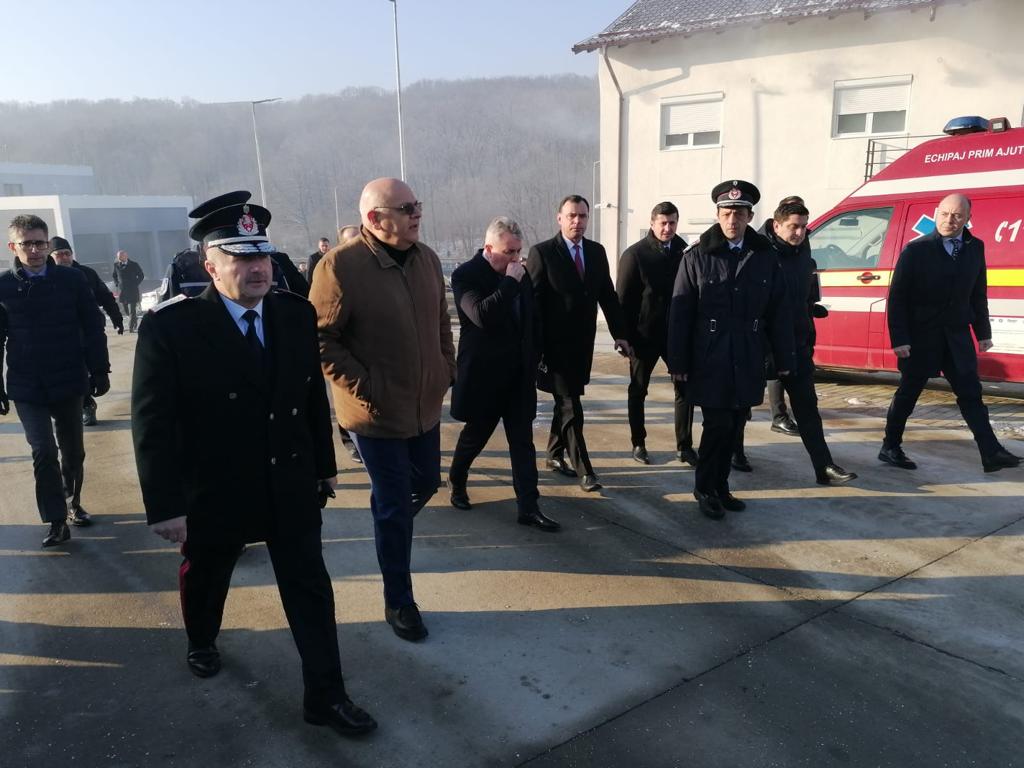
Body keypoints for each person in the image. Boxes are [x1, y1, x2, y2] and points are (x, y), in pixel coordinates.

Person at [131, 195, 376, 737]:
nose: (257, 267)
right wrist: (166, 505)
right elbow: (152, 423)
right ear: (210, 266)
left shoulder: (293, 313)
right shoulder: (172, 327)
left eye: (261, 255)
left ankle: (326, 696)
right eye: (240, 258)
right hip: (216, 485)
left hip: (288, 478)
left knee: (310, 588)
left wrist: (324, 464)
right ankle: (201, 639)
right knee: (208, 575)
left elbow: (309, 396)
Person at [310, 178, 455, 643]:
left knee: (426, 483)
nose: (417, 214)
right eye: (406, 208)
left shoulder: (427, 259)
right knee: (393, 505)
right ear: (374, 218)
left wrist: (445, 368)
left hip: (424, 405)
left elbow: (441, 322)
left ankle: (390, 527)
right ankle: (399, 599)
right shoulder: (340, 267)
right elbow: (320, 339)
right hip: (374, 413)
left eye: (418, 204)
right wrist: (368, 386)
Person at [667, 180, 794, 519]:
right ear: (717, 215)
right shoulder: (697, 256)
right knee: (717, 425)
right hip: (710, 356)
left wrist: (784, 357)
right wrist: (678, 362)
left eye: (739, 214)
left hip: (748, 354)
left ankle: (721, 486)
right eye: (726, 213)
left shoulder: (764, 256)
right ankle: (704, 487)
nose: (732, 220)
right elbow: (680, 313)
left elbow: (779, 311)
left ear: (750, 216)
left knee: (736, 424)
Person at [879, 193, 1020, 473]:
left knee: (971, 394)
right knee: (908, 393)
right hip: (922, 337)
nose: (949, 220)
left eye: (957, 215)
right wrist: (900, 339)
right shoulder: (916, 250)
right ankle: (890, 446)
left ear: (968, 218)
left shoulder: (975, 248)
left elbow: (978, 293)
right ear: (936, 214)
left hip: (957, 336)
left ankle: (991, 452)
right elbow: (897, 298)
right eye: (944, 214)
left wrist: (983, 332)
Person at [0, 215, 110, 545]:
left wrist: (99, 369)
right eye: (27, 244)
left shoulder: (71, 280)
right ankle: (56, 519)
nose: (34, 250)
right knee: (44, 451)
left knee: (73, 451)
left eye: (40, 243)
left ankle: (73, 502)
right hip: (27, 384)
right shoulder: (3, 285)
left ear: (48, 244)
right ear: (13, 246)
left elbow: (92, 326)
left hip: (68, 378)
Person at [448, 217, 559, 532]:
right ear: (489, 248)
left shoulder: (520, 273)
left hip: (518, 376)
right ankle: (457, 479)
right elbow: (482, 315)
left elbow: (531, 318)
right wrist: (509, 282)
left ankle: (529, 507)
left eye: (518, 251)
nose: (515, 258)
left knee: (522, 443)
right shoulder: (466, 275)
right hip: (485, 376)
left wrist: (536, 355)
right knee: (475, 436)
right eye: (508, 251)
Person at [527, 194, 631, 493]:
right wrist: (532, 347)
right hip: (553, 350)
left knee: (566, 403)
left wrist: (620, 334)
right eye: (571, 216)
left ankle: (553, 453)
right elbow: (532, 304)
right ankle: (585, 469)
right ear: (559, 218)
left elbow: (607, 296)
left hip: (582, 347)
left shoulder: (596, 252)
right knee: (571, 405)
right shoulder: (542, 253)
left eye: (583, 216)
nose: (577, 221)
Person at [758, 198, 857, 485]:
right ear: (776, 225)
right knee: (740, 410)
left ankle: (824, 467)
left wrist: (810, 320)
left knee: (808, 408)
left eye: (804, 227)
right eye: (794, 227)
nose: (800, 233)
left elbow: (805, 296)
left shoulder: (803, 253)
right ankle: (736, 454)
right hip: (764, 346)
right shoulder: (759, 254)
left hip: (797, 345)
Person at [616, 201, 691, 465]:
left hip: (676, 336)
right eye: (663, 223)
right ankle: (638, 443)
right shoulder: (635, 255)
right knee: (638, 390)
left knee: (685, 389)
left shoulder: (686, 251)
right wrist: (622, 336)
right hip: (643, 336)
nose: (667, 228)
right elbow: (623, 300)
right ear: (652, 223)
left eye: (672, 223)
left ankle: (684, 446)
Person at [50, 236, 123, 427]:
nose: (64, 258)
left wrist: (116, 317)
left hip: (88, 332)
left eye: (67, 254)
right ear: (51, 256)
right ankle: (77, 404)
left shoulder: (86, 274)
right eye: (59, 255)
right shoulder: (46, 277)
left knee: (87, 370)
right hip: (59, 336)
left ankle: (86, 403)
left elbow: (105, 296)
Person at [322, 225, 364, 464]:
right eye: (350, 241)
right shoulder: (332, 269)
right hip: (344, 351)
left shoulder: (372, 269)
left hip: (368, 352)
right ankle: (349, 440)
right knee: (345, 400)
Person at [112, 250, 145, 332]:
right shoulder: (116, 265)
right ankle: (134, 319)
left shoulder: (134, 264)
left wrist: (135, 283)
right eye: (118, 257)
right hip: (122, 291)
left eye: (120, 257)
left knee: (132, 310)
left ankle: (131, 327)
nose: (119, 258)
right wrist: (117, 284)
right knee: (126, 310)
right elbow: (114, 275)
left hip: (132, 290)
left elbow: (141, 275)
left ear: (126, 256)